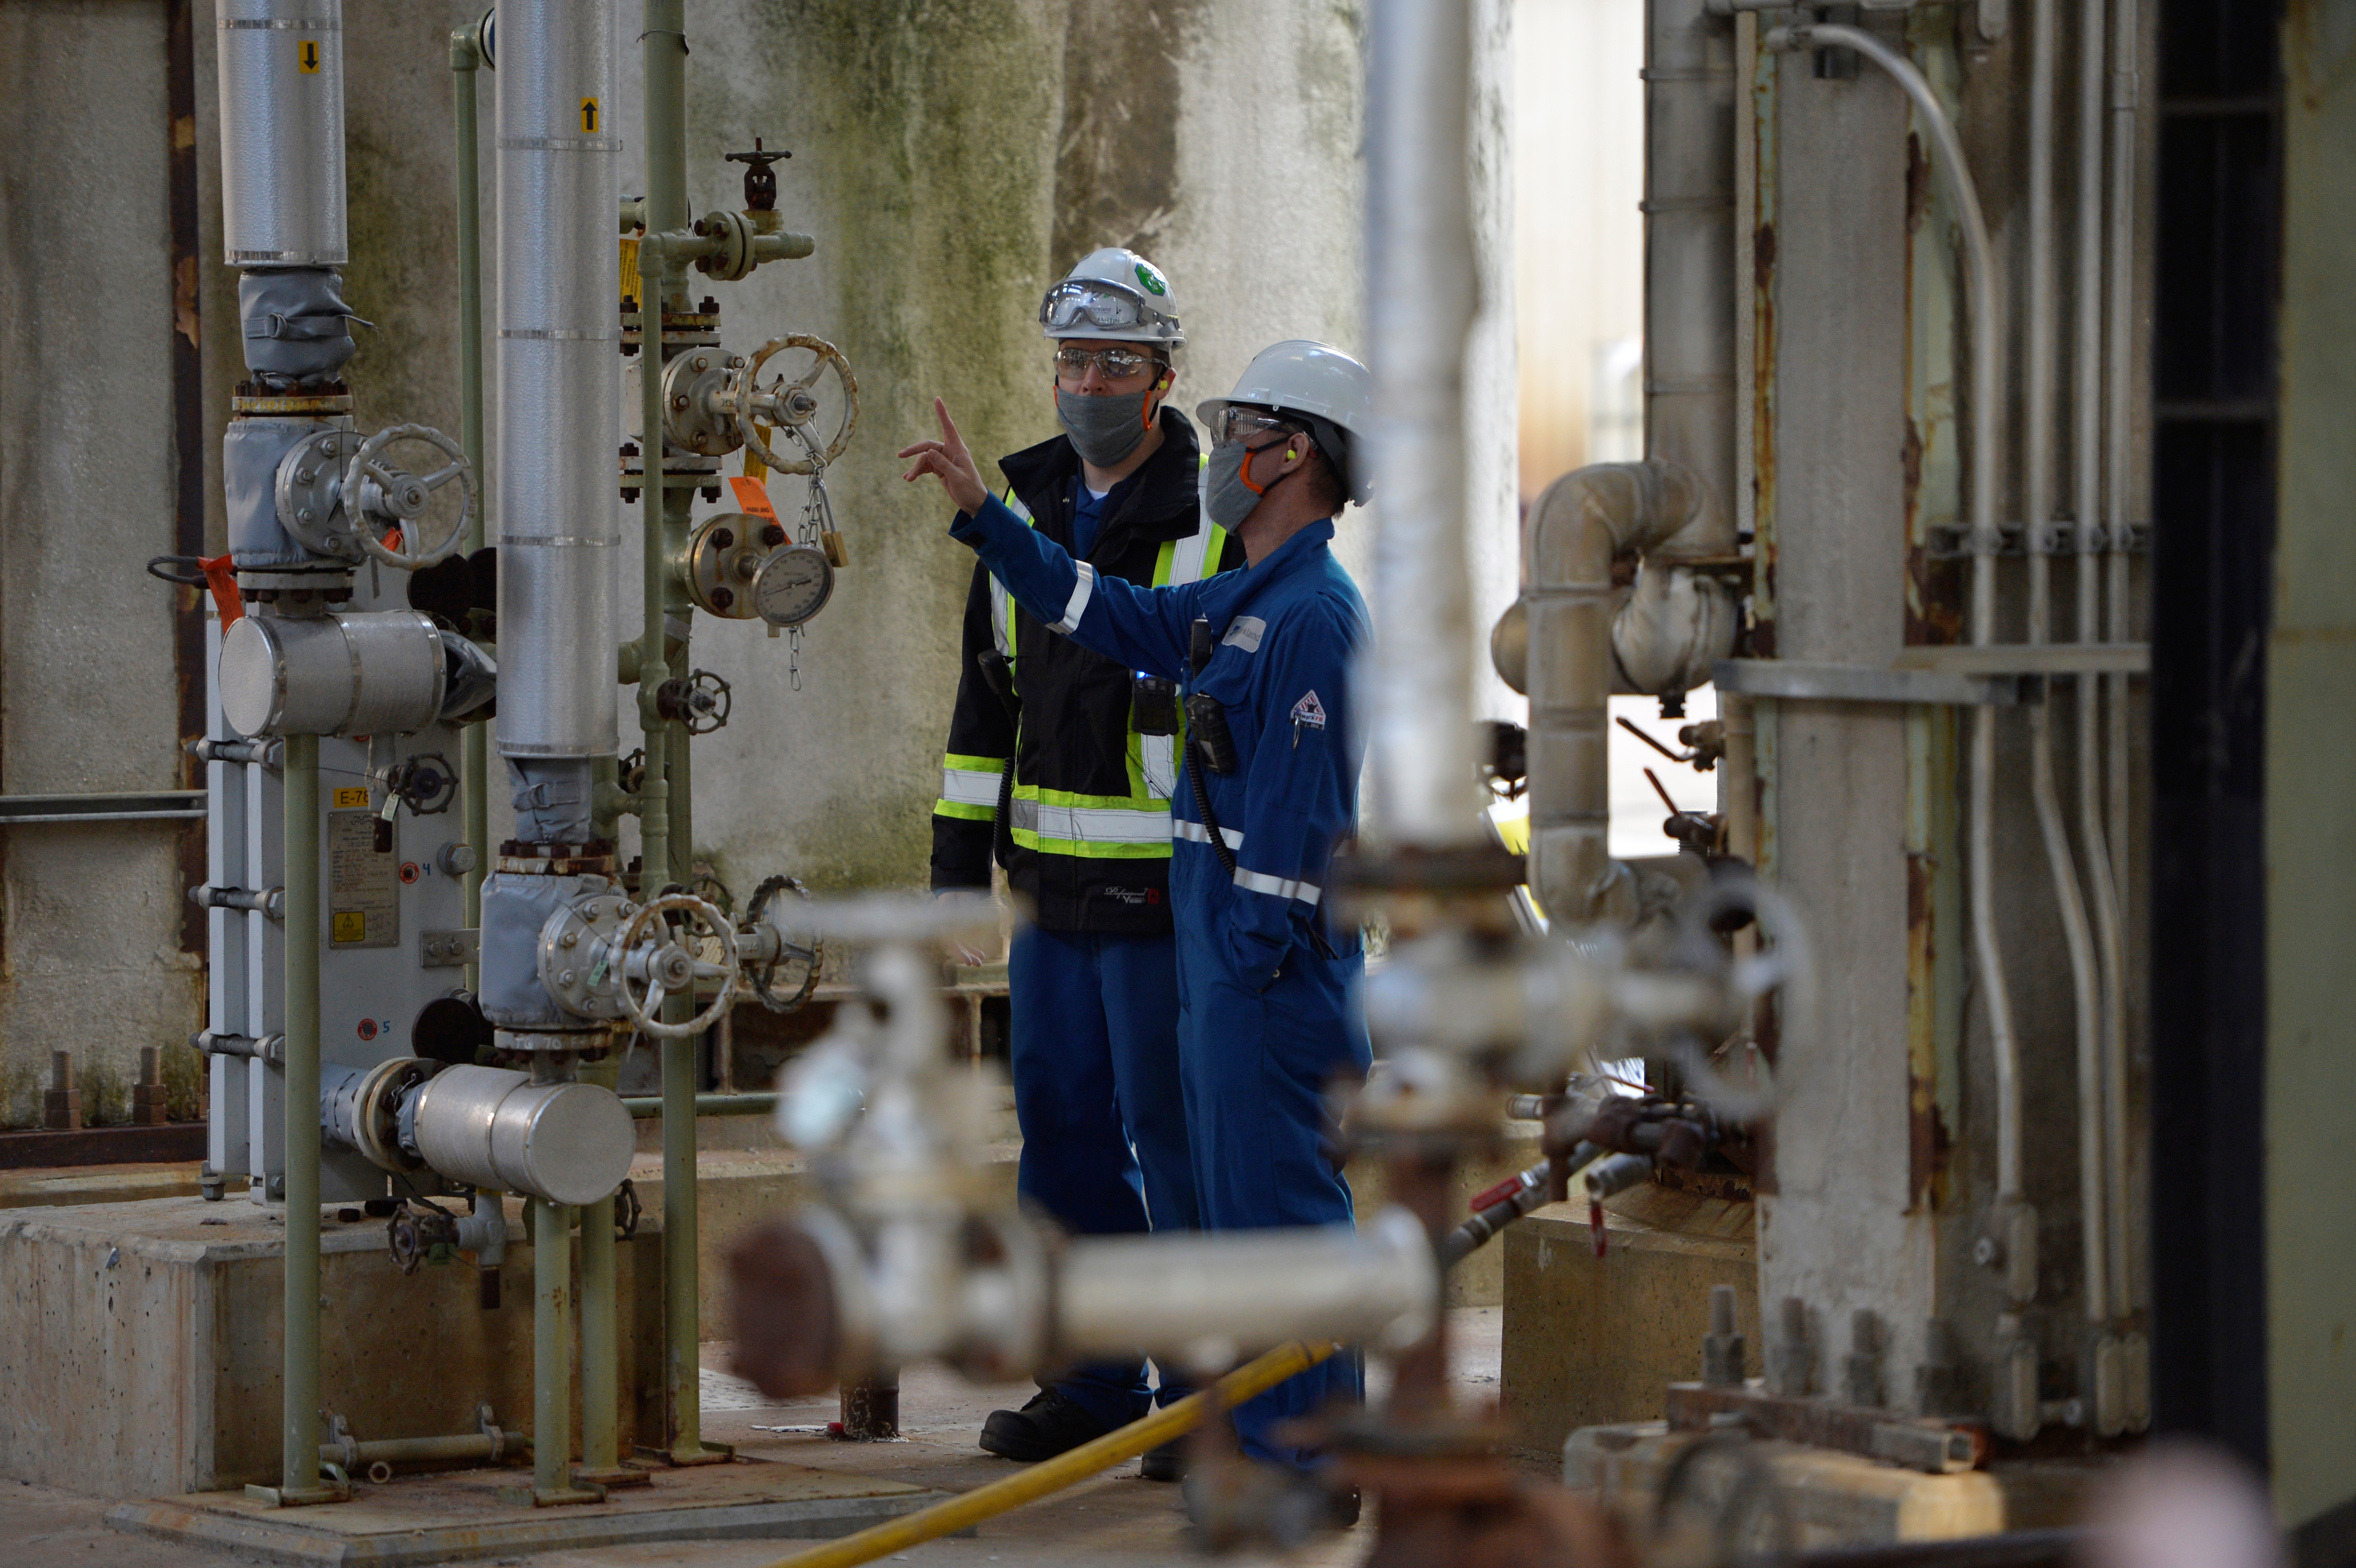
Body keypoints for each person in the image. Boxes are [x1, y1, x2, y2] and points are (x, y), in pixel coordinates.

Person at [904, 340, 1377, 1476]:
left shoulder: (1313, 615)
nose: (1227, 454)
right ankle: (1253, 1439)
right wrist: (985, 515)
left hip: (1265, 975)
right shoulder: (1244, 597)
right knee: (1237, 1209)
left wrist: (1247, 956)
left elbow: (1297, 828)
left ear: (1290, 454)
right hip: (1228, 967)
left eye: (1247, 433)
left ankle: (1301, 1457)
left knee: (1279, 1218)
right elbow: (1102, 611)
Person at [927, 248, 1245, 1473]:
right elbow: (983, 706)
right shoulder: (1023, 510)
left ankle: (1203, 1389)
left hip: (1171, 901)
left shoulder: (1214, 522)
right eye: (1072, 359)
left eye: (1117, 360)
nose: (1089, 382)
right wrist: (958, 870)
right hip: (1053, 905)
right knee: (1061, 1137)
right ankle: (1093, 1381)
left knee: (1177, 1145)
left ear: (1164, 377)